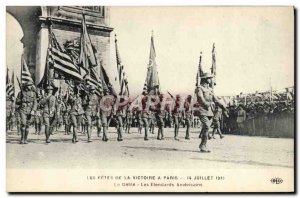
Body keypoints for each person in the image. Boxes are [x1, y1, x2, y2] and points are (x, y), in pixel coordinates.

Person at [195, 73, 227, 152]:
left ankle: (203, 145)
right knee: (206, 126)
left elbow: (216, 99)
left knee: (206, 128)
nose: (211, 80)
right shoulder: (199, 88)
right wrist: (208, 104)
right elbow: (200, 98)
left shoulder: (210, 89)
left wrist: (223, 107)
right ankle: (202, 145)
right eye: (209, 78)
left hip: (209, 111)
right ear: (205, 79)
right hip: (201, 109)